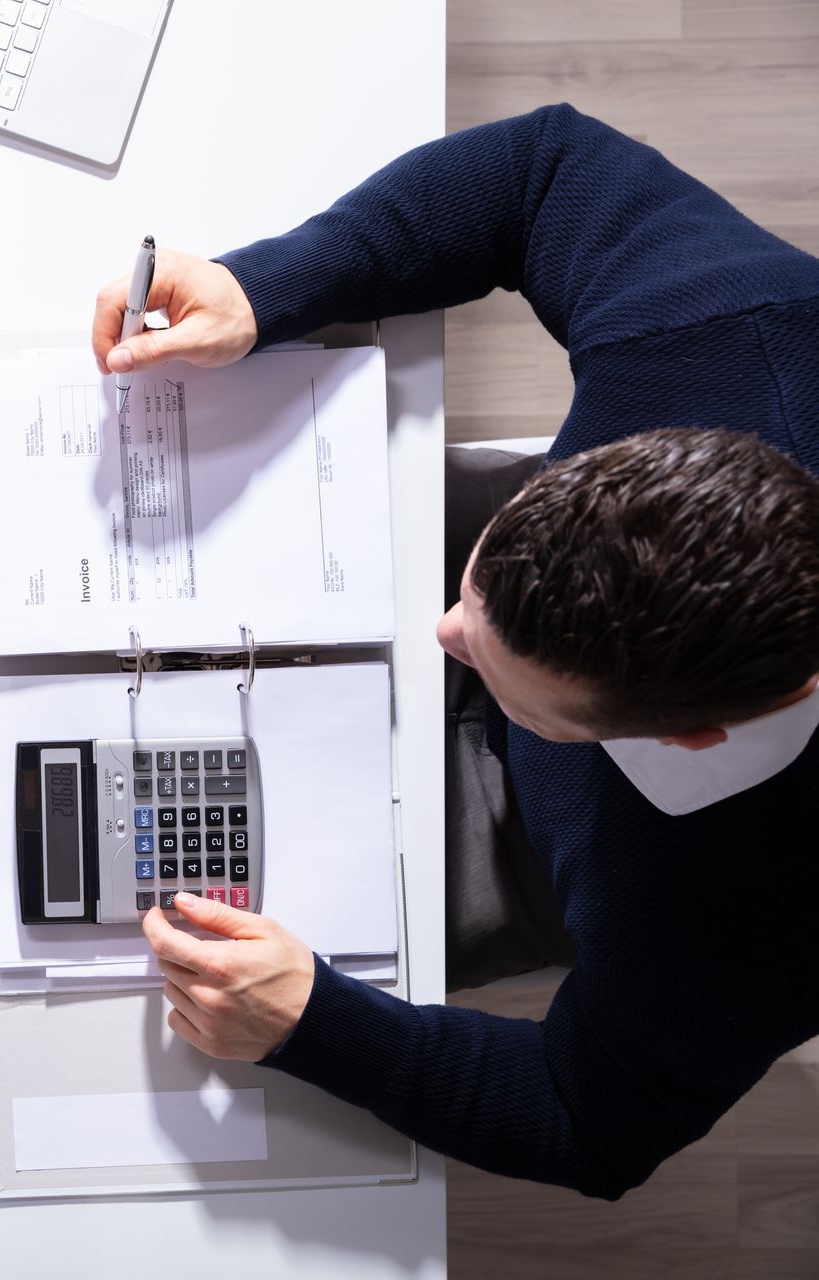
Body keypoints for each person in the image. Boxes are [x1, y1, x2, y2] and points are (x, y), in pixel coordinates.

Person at [89, 103, 819, 1199]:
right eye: (472, 600)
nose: (445, 636)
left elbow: (587, 1117)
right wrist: (271, 286)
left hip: (530, 847)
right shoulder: (728, 330)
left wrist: (313, 1022)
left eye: (488, 655)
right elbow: (538, 173)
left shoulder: (759, 920)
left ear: (693, 735)